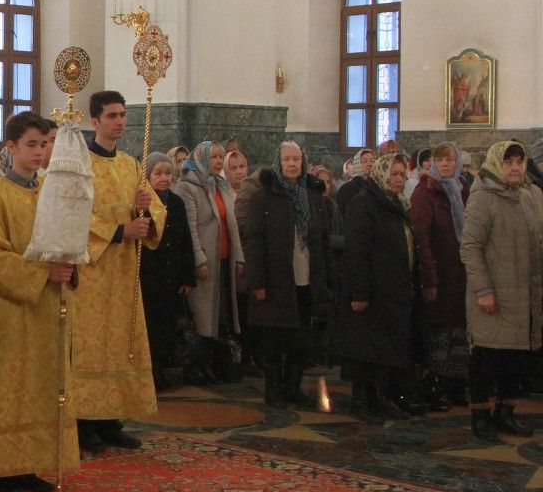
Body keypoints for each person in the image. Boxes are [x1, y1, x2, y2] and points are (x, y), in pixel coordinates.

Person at [0, 111, 79, 492]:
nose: (40, 152)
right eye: (31, 145)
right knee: (9, 385)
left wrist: (71, 262)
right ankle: (2, 469)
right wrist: (43, 273)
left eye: (44, 144)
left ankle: (30, 463)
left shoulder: (51, 194)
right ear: (11, 147)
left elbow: (70, 237)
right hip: (9, 310)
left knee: (42, 383)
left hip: (46, 308)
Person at [73, 91, 157, 453]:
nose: (120, 121)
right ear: (95, 122)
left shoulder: (130, 165)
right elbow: (73, 214)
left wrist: (145, 212)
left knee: (121, 345)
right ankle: (84, 424)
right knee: (92, 347)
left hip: (123, 275)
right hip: (92, 273)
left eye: (123, 114)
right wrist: (122, 231)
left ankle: (111, 421)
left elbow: (154, 211)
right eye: (112, 115)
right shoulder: (80, 166)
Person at [460, 141, 543, 442]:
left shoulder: (531, 195)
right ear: (497, 163)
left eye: (519, 162)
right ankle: (480, 415)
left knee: (516, 359)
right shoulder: (483, 196)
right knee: (487, 357)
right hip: (493, 293)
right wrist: (483, 289)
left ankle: (506, 412)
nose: (515, 168)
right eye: (509, 162)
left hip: (524, 295)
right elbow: (470, 247)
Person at [238, 142, 331, 409]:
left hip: (306, 278)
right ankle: (274, 389)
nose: (292, 164)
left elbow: (321, 239)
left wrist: (324, 278)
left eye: (296, 159)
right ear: (278, 163)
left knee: (301, 340)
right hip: (276, 280)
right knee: (274, 339)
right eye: (287, 159)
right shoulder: (264, 197)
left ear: (303, 162)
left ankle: (292, 387)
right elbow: (254, 241)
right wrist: (257, 281)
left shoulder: (313, 196)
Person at [332, 153, 419, 422]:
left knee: (385, 349)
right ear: (382, 174)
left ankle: (381, 398)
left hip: (393, 290)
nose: (398, 179)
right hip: (371, 292)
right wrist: (360, 293)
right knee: (365, 350)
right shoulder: (363, 204)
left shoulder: (396, 203)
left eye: (402, 174)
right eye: (393, 174)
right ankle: (361, 400)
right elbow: (357, 253)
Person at [172, 141, 244, 384]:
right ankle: (196, 367)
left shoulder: (219, 185)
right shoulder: (187, 187)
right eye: (213, 157)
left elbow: (231, 224)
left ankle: (213, 364)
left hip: (223, 258)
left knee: (219, 315)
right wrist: (198, 259)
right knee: (202, 316)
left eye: (220, 156)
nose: (218, 161)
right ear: (201, 158)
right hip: (205, 260)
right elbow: (190, 228)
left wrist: (239, 255)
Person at [411, 142, 469, 412]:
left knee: (458, 330)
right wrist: (430, 278)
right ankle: (435, 385)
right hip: (438, 274)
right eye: (440, 160)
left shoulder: (461, 189)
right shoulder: (425, 192)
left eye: (450, 159)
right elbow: (421, 238)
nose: (445, 164)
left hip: (459, 275)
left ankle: (456, 383)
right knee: (438, 333)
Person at [138, 152, 196, 392]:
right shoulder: (143, 204)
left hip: (172, 275)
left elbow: (185, 240)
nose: (164, 178)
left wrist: (188, 276)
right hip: (149, 275)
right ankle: (150, 372)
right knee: (150, 326)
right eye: (158, 174)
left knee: (167, 327)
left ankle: (162, 368)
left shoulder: (177, 203)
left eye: (168, 173)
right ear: (148, 176)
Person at [334, 148, 376, 215]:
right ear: (357, 164)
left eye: (372, 161)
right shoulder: (347, 189)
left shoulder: (378, 186)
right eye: (364, 161)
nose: (369, 164)